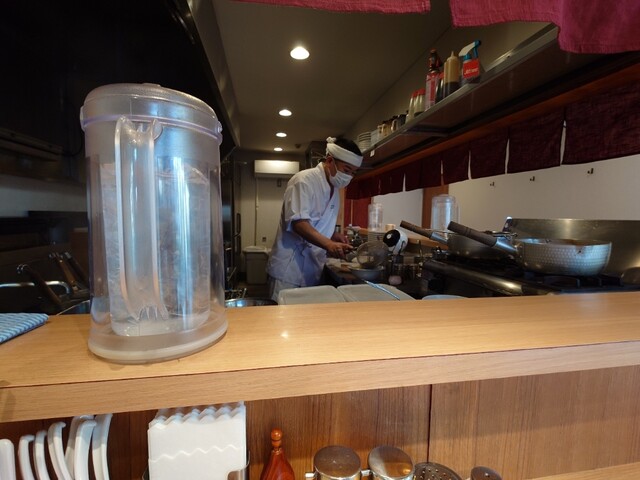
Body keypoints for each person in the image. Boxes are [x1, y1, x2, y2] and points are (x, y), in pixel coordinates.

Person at [267, 136, 363, 301]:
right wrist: (329, 244)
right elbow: (299, 224)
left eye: (353, 173)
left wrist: (333, 235)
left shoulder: (334, 190)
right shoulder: (303, 181)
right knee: (283, 315)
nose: (349, 176)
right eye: (346, 170)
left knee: (307, 317)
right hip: (289, 270)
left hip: (312, 269)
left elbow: (318, 223)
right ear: (330, 160)